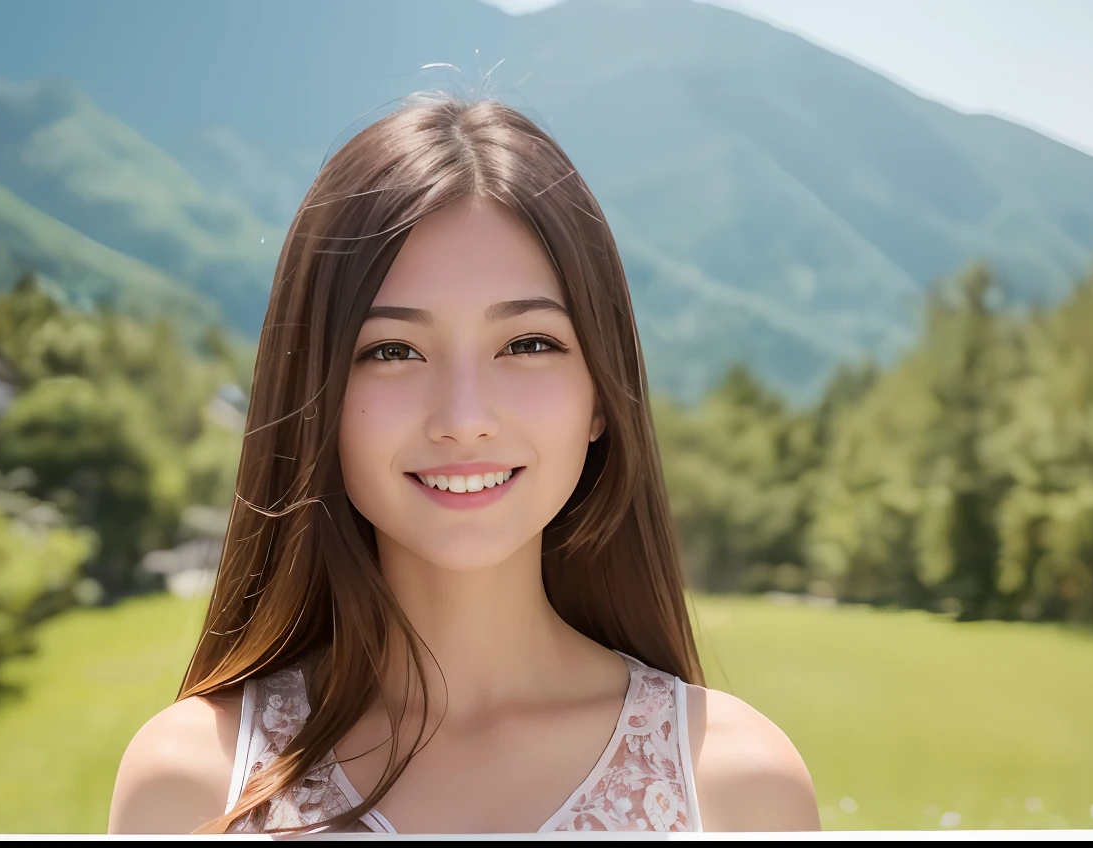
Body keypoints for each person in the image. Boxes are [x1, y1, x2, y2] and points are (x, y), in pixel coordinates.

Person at [106, 95, 820, 835]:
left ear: (602, 396)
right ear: (314, 398)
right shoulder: (195, 785)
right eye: (392, 351)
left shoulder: (734, 787)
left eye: (527, 343)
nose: (464, 419)